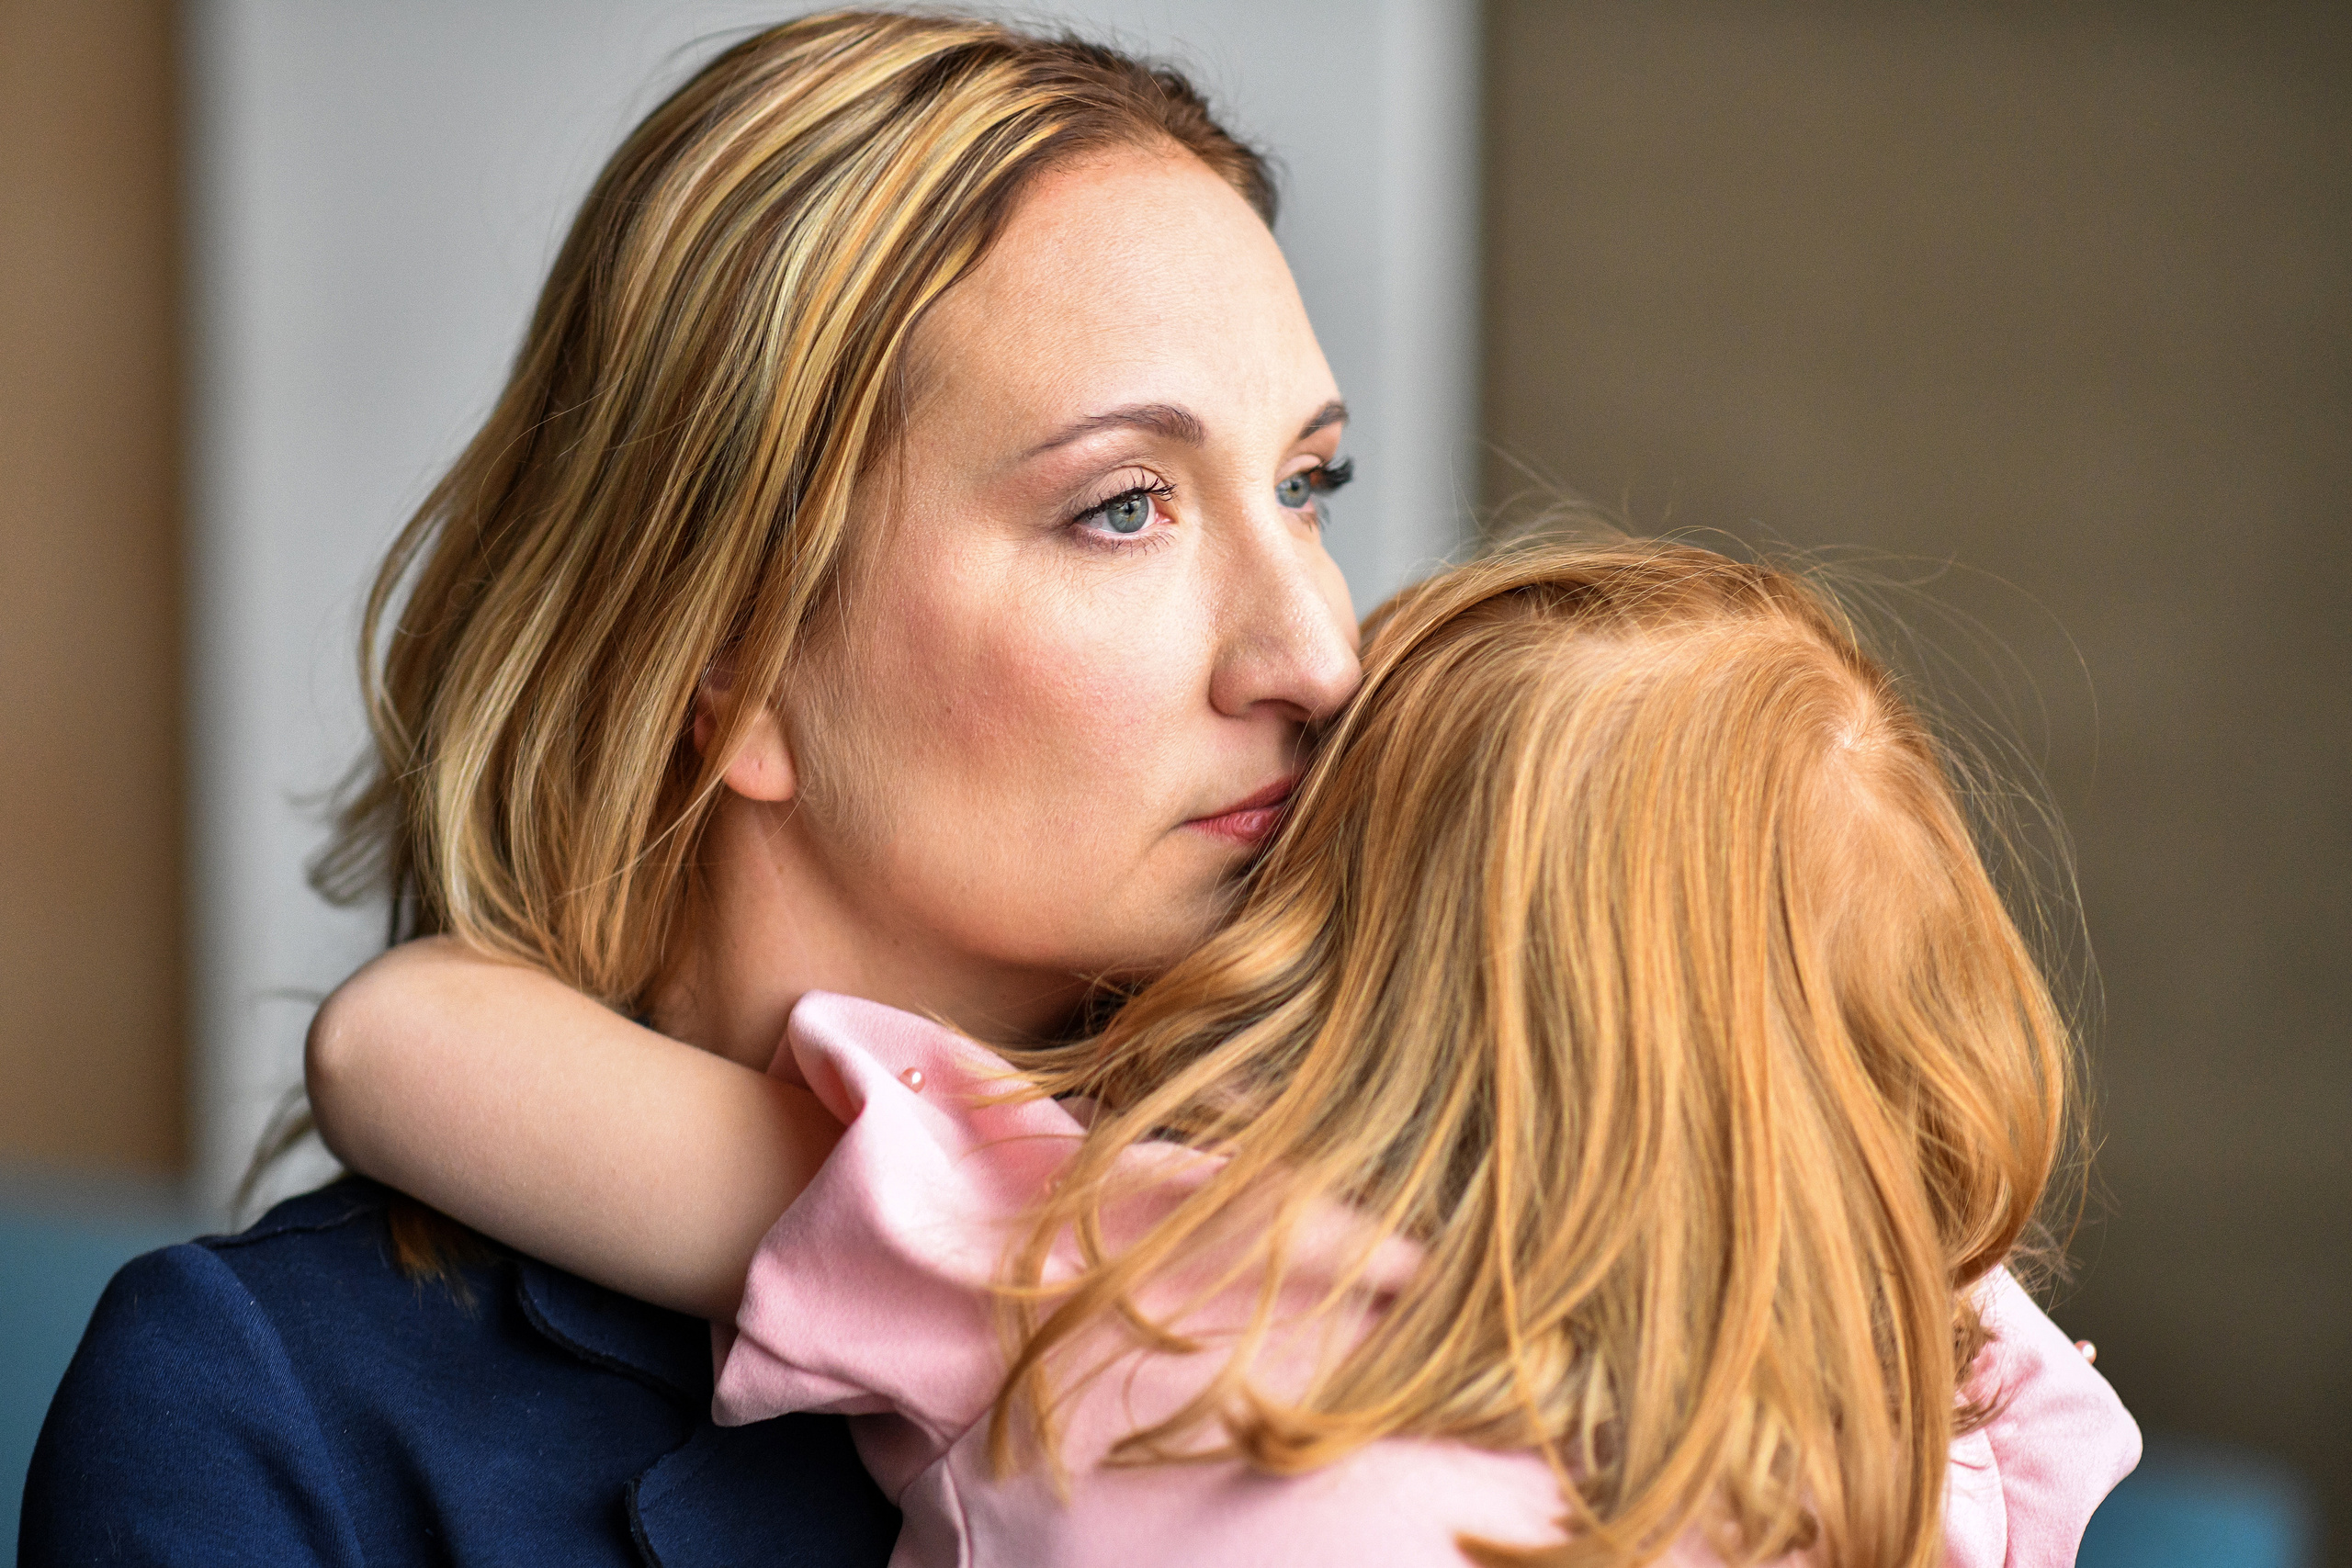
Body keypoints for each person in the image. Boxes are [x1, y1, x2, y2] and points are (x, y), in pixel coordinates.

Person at [21, 14, 1361, 1563]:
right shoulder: (275, 1416)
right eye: (1123, 508)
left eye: (1307, 486)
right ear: (727, 667)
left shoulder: (1416, 1221)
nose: (1320, 657)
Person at [302, 539, 2141, 1566]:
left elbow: (399, 1040)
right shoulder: (1937, 1429)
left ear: (1323, 945)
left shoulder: (1137, 1259)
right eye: (1124, 510)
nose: (1299, 659)